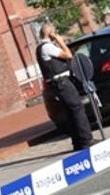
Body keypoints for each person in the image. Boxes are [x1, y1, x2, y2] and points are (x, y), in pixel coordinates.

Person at [36, 23, 94, 152]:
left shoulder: (43, 47)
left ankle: (77, 142)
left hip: (58, 84)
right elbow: (68, 55)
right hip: (62, 83)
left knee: (70, 111)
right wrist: (61, 42)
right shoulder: (47, 47)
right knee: (77, 108)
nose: (56, 34)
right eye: (55, 32)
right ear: (50, 34)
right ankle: (86, 139)